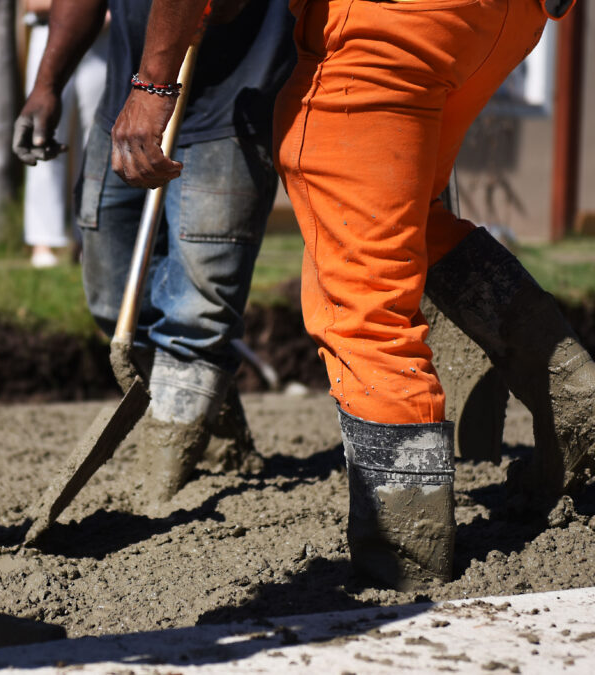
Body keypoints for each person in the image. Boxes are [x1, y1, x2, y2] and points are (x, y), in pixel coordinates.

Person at [113, 0, 585, 589]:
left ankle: (407, 558)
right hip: (503, 24)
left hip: (389, 25)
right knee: (402, 223)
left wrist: (153, 84)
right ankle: (571, 388)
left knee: (364, 295)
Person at [14, 0, 295, 501]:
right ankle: (217, 438)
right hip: (125, 110)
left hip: (232, 107)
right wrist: (47, 84)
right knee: (112, 295)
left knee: (195, 317)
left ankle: (159, 494)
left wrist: (155, 88)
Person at [21, 0, 108, 268]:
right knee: (43, 136)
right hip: (51, 34)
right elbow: (33, 4)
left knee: (95, 139)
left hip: (101, 39)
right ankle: (42, 240)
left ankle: (87, 237)